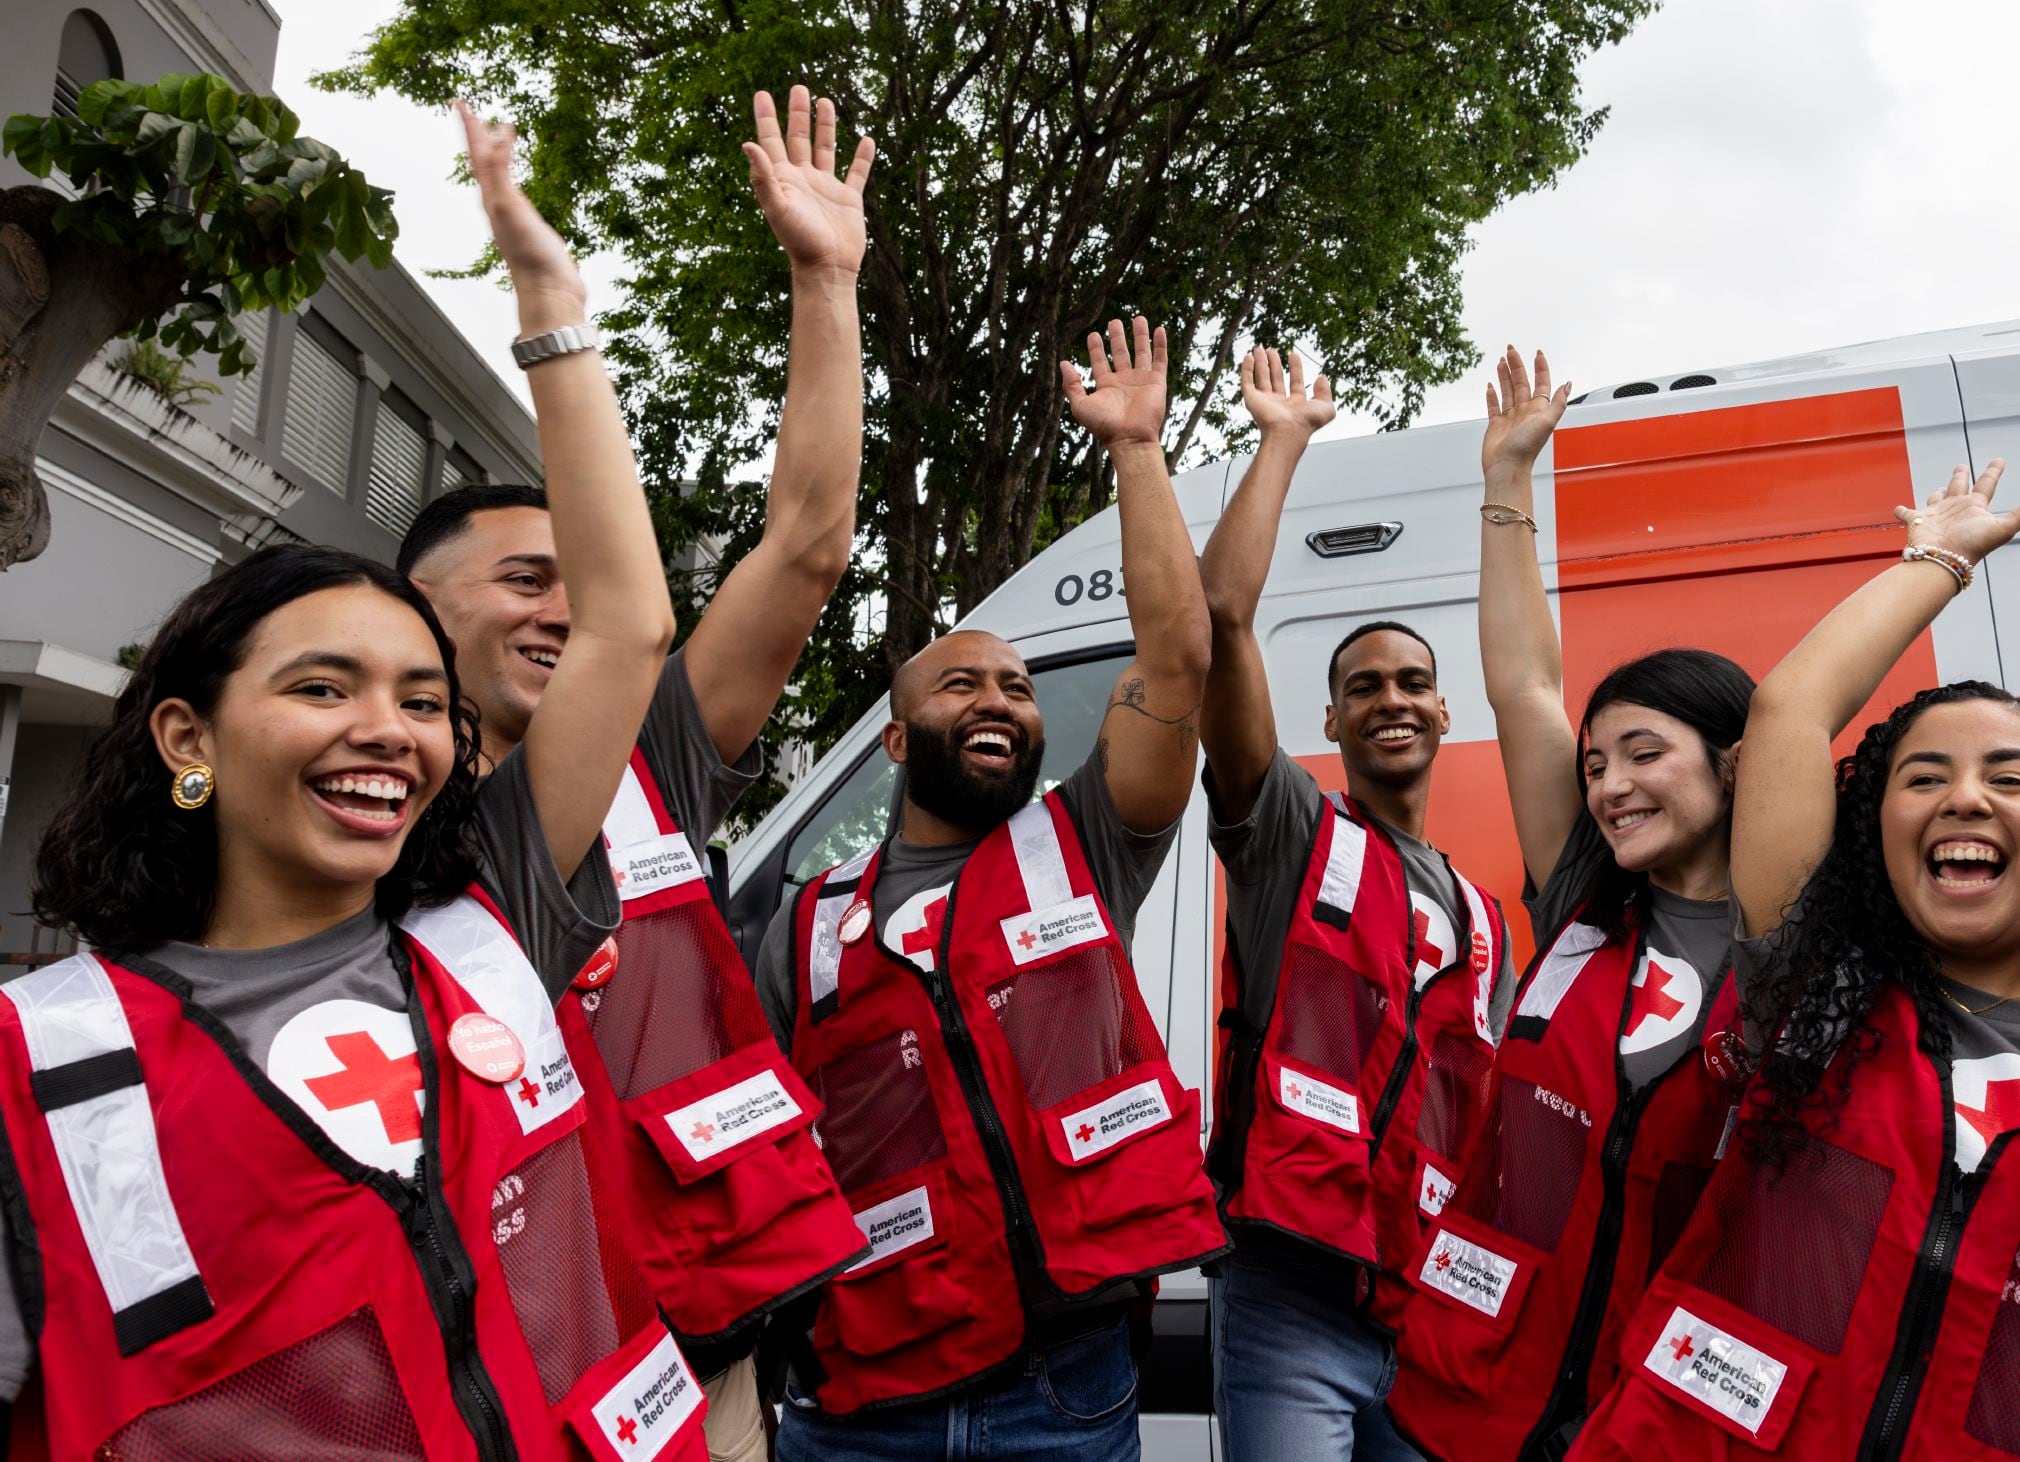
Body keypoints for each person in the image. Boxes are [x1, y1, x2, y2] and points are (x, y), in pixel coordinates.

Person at [1, 98, 691, 1459]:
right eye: (325, 686)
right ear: (188, 737)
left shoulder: (493, 935)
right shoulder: (45, 1059)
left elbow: (628, 624)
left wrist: (549, 294)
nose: (393, 728)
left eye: (424, 699)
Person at [1566, 459, 2020, 1459]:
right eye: (1924, 776)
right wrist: (1935, 559)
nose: (1963, 799)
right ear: (1875, 831)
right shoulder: (1813, 990)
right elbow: (1786, 716)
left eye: (2009, 776)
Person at [397, 86, 874, 1460]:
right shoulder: (352, 831)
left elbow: (805, 545)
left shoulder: (649, 757)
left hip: (681, 1364)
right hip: (459, 1377)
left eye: (583, 580)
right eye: (521, 581)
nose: (565, 608)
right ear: (413, 608)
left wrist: (824, 277)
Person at [754, 316, 1226, 1460]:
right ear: (894, 740)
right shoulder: (806, 926)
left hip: (1060, 1393)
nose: (1000, 698)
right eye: (959, 681)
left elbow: (1175, 664)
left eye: (1017, 686)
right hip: (859, 1407)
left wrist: (1137, 452)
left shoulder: (1085, 847)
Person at [1385, 347, 1757, 1462]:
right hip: (1481, 1412)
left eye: (1643, 753)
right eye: (1595, 762)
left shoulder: (1793, 941)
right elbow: (1523, 688)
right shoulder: (1583, 902)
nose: (1607, 785)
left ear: (1738, 764)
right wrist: (1506, 482)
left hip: (1659, 1421)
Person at [1195, 349, 1516, 1461]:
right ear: (1327, 721)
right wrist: (1282, 438)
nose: (1391, 699)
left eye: (1412, 682)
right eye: (1364, 686)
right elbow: (1219, 619)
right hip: (1291, 1293)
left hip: (1425, 1302)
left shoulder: (1484, 916)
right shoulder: (1291, 833)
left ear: (1443, 713)